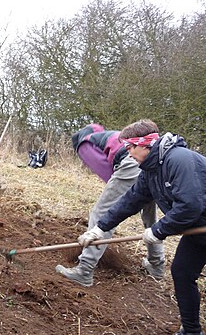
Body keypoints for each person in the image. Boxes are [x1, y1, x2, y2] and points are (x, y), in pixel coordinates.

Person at [78, 119, 206, 335]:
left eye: (130, 147)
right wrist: (100, 228)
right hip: (199, 232)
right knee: (182, 272)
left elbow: (190, 206)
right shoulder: (151, 170)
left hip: (200, 223)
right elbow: (131, 200)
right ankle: (192, 331)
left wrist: (158, 231)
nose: (128, 154)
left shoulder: (179, 160)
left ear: (145, 144)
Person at [56, 123, 165, 287]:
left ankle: (84, 270)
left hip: (132, 163)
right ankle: (156, 265)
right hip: (151, 160)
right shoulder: (108, 136)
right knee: (149, 217)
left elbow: (109, 176)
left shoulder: (83, 144)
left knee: (101, 212)